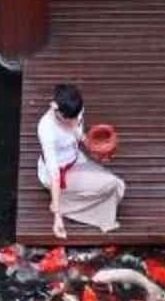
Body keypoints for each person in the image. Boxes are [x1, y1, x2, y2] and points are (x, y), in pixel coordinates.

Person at [36, 83, 124, 238]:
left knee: (117, 186)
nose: (75, 122)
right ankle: (60, 205)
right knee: (114, 184)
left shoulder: (76, 109)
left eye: (77, 117)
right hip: (56, 173)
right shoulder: (46, 129)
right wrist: (57, 219)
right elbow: (54, 173)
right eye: (69, 119)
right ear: (55, 108)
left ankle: (65, 201)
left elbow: (78, 134)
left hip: (76, 159)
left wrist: (93, 145)